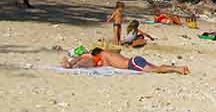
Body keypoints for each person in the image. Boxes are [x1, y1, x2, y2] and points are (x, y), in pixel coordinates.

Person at [61, 48, 189, 74]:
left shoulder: (104, 55)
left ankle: (177, 69)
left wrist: (90, 66)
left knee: (156, 70)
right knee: (156, 67)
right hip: (135, 60)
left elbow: (105, 67)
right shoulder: (109, 52)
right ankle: (178, 68)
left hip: (132, 64)